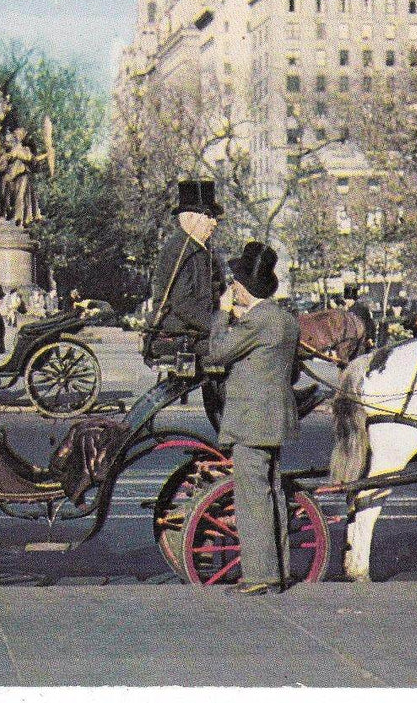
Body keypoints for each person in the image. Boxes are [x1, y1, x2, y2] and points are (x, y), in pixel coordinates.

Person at [202, 241, 301, 596]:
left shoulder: (257, 322)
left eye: (234, 285)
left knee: (252, 496)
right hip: (275, 418)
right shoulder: (284, 320)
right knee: (272, 491)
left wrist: (222, 314)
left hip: (251, 420)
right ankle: (279, 568)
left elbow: (217, 353)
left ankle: (261, 575)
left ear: (242, 288)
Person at [149, 180, 226, 416]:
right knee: (241, 348)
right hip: (181, 332)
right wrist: (218, 325)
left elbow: (215, 292)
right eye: (209, 216)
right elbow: (183, 304)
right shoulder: (180, 249)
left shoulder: (199, 248)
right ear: (191, 217)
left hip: (192, 330)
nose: (214, 222)